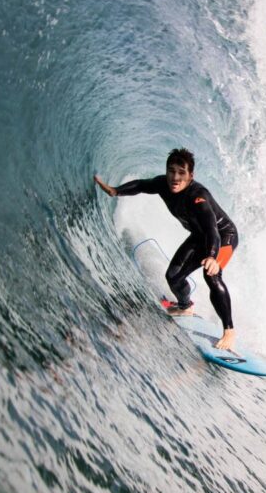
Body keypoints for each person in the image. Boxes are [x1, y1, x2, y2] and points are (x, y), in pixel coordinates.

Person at [94, 148, 239, 350]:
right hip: (199, 237)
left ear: (191, 176)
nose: (175, 177)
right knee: (173, 276)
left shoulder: (199, 198)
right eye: (171, 171)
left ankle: (229, 332)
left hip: (223, 238)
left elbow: (212, 230)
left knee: (211, 276)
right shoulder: (163, 184)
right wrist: (116, 190)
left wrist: (213, 257)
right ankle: (185, 306)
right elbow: (142, 185)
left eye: (181, 173)